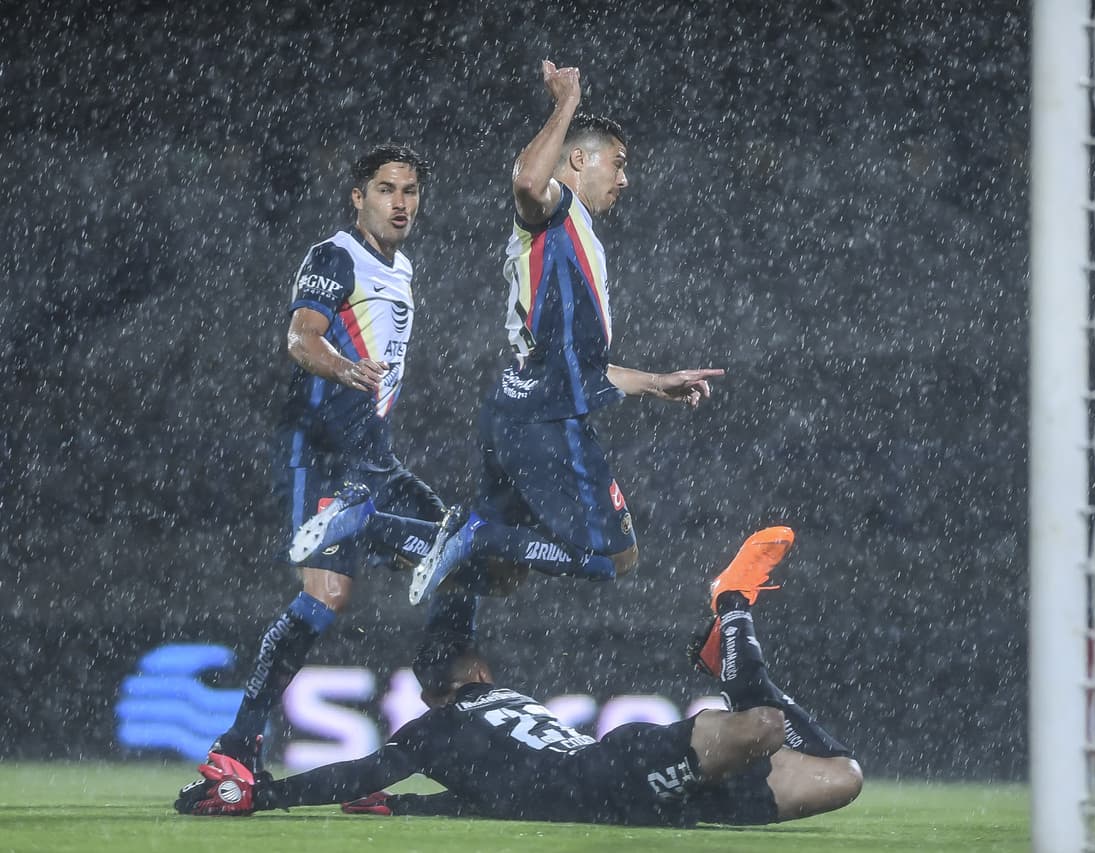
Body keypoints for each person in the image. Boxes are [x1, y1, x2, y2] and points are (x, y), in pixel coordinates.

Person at [289, 60, 725, 664]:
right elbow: (525, 180)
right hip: (546, 423)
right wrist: (565, 104)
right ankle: (465, 538)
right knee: (611, 559)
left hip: (517, 411)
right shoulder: (555, 206)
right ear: (579, 160)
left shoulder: (578, 236)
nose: (625, 179)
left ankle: (371, 526)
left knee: (502, 575)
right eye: (617, 164)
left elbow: (581, 367)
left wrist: (656, 383)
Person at [175, 527, 864, 826]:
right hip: (623, 782)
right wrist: (413, 807)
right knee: (842, 774)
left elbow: (357, 774)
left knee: (765, 727)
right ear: (480, 669)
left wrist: (260, 796)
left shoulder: (433, 730)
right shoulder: (498, 703)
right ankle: (724, 652)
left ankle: (733, 601)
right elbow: (507, 792)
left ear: (433, 691)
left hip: (616, 781)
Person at [208, 144, 448, 771]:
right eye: (386, 190)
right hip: (319, 447)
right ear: (358, 196)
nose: (400, 203)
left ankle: (450, 739)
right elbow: (301, 337)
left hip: (372, 457)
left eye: (410, 191)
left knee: (455, 550)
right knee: (326, 596)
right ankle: (237, 747)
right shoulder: (334, 255)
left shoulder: (403, 267)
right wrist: (346, 370)